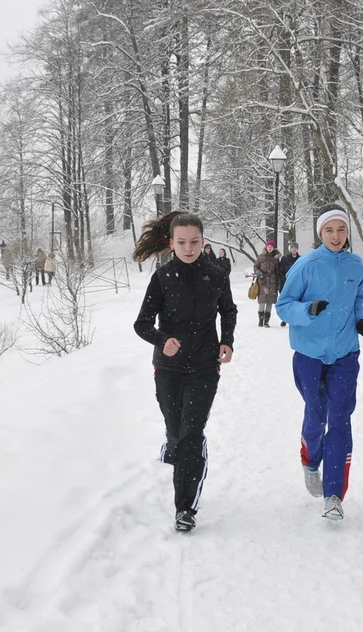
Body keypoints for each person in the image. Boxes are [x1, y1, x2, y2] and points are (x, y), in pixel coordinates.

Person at [132, 211, 238, 534]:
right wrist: (162, 340)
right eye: (181, 242)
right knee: (176, 430)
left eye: (194, 242)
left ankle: (185, 508)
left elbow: (228, 310)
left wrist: (227, 341)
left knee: (191, 434)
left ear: (203, 241)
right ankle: (173, 443)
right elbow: (142, 324)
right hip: (168, 369)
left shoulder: (217, 275)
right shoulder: (162, 278)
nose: (188, 248)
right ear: (171, 243)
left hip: (205, 366)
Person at [275, 205, 363, 521]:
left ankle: (333, 495)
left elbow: (358, 300)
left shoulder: (358, 266)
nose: (336, 236)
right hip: (309, 354)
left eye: (341, 230)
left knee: (340, 418)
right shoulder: (306, 265)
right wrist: (308, 311)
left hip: (345, 353)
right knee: (316, 413)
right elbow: (284, 306)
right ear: (320, 232)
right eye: (329, 230)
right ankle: (310, 460)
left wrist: (361, 320)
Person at [253, 240, 281, 327]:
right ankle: (260, 320)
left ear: (273, 248)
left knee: (270, 302)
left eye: (271, 247)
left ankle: (266, 321)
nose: (270, 248)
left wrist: (278, 283)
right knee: (262, 301)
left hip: (272, 282)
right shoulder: (261, 257)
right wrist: (260, 274)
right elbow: (255, 266)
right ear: (266, 247)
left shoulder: (276, 258)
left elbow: (277, 272)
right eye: (268, 246)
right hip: (263, 282)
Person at [277, 242, 302, 327]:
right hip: (286, 284)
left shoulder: (300, 259)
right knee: (286, 302)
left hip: (297, 284)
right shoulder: (285, 258)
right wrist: (283, 281)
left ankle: (294, 319)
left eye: (295, 248)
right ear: (290, 249)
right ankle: (284, 319)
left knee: (295, 302)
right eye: (292, 247)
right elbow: (280, 271)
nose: (294, 249)